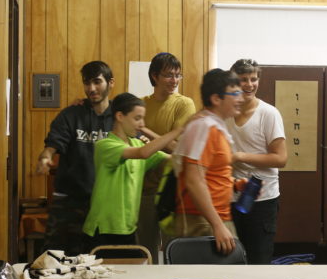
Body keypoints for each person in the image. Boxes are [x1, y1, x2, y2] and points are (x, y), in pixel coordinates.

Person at [82, 93, 184, 247]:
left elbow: (175, 157)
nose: (142, 124)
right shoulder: (105, 145)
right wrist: (178, 131)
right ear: (119, 116)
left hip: (128, 228)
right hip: (104, 229)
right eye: (137, 118)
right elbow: (142, 153)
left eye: (143, 119)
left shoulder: (137, 144)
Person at [36, 61, 114, 255]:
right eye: (87, 83)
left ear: (110, 83)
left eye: (97, 82)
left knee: (102, 260)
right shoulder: (71, 114)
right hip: (70, 202)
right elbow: (53, 144)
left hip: (106, 204)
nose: (91, 88)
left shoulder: (120, 116)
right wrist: (45, 157)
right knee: (55, 258)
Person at [173, 68, 243, 254]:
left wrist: (234, 185)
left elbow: (209, 174)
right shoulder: (204, 127)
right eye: (235, 93)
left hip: (213, 218)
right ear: (216, 99)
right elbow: (193, 180)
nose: (241, 99)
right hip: (203, 221)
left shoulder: (214, 126)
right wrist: (217, 225)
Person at [226, 59, 287, 264]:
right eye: (243, 79)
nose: (249, 84)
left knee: (259, 261)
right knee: (231, 260)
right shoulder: (226, 112)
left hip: (262, 199)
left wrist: (239, 156)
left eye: (253, 79)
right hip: (230, 196)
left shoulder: (268, 113)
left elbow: (281, 158)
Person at [138, 52, 196, 261]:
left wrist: (146, 133)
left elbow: (177, 149)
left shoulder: (184, 104)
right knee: (145, 252)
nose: (174, 80)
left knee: (174, 251)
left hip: (173, 187)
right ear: (155, 76)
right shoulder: (140, 104)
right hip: (143, 186)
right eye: (169, 75)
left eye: (178, 75)